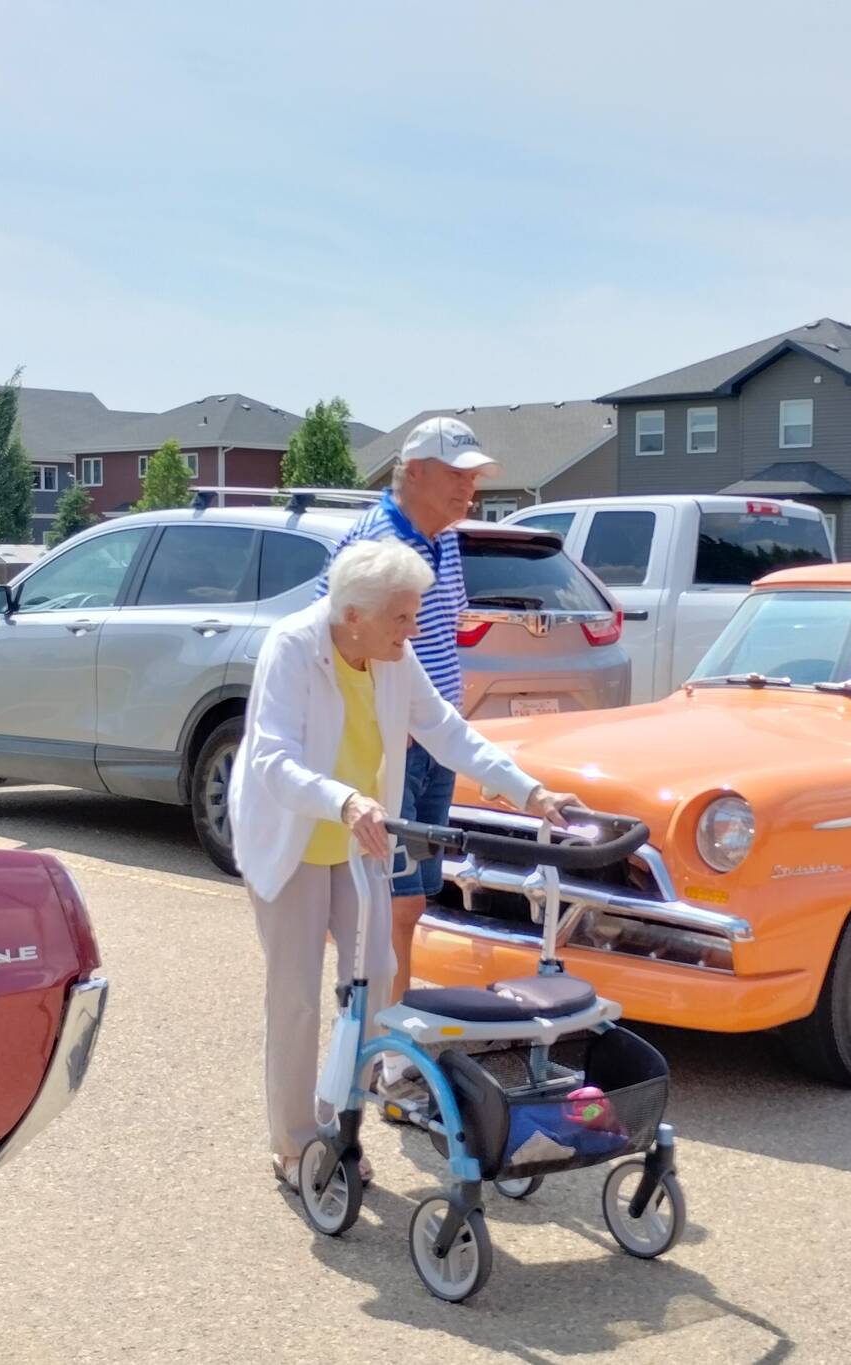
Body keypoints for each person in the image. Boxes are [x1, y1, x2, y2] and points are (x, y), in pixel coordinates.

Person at [232, 538, 576, 1185]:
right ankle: (293, 1141)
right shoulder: (292, 647)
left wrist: (529, 789)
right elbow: (270, 760)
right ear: (355, 613)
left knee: (376, 973)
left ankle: (338, 1124)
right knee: (298, 992)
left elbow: (446, 728)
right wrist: (342, 800)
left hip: (362, 833)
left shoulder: (391, 653)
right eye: (403, 616)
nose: (414, 630)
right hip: (294, 835)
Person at [317, 416, 496, 1012]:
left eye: (473, 477)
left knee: (408, 904)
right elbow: (335, 646)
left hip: (432, 740)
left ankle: (384, 1037)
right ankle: (383, 1048)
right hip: (391, 746)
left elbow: (444, 635)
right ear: (412, 472)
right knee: (392, 903)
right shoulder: (375, 546)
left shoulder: (443, 537)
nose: (468, 489)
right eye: (455, 474)